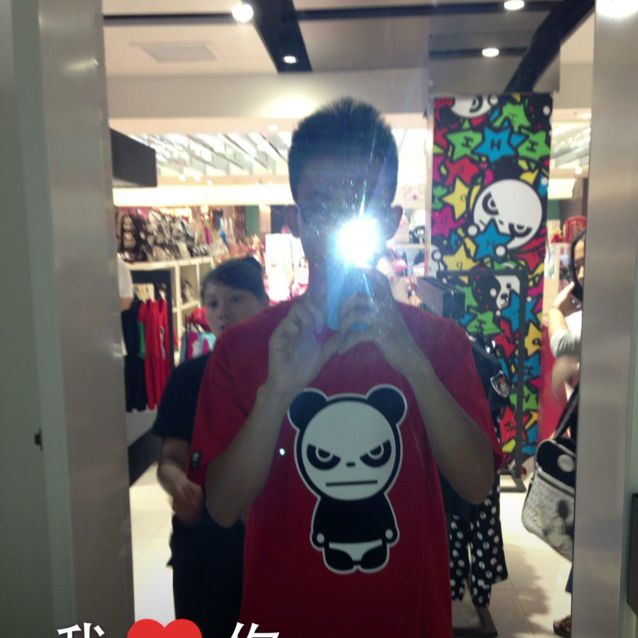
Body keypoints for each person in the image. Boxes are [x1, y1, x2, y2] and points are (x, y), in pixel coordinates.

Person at [188, 98, 502, 638]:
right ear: (296, 221)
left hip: (410, 622)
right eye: (321, 208)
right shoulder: (244, 348)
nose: (338, 225)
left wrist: (415, 366)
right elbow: (221, 506)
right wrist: (277, 392)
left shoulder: (440, 342)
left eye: (360, 206)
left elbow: (476, 485)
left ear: (390, 221)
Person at [152, 257, 269, 638]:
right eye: (214, 303)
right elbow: (170, 459)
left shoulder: (285, 375)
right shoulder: (188, 378)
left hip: (271, 541)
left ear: (264, 303)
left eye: (236, 299)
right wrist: (178, 484)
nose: (223, 312)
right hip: (203, 541)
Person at [548, 229, 586, 638]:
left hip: (604, 435)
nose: (584, 271)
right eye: (578, 263)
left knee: (594, 520)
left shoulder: (605, 311)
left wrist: (555, 308)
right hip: (592, 430)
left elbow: (563, 345)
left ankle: (585, 610)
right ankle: (583, 606)